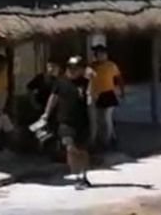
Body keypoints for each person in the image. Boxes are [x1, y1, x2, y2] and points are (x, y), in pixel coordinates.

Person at [44, 57, 91, 190]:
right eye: (70, 68)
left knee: (82, 150)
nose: (72, 71)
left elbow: (92, 98)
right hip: (65, 121)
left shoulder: (86, 82)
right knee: (70, 148)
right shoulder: (61, 82)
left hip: (82, 121)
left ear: (81, 70)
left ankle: (84, 175)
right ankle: (77, 177)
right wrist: (46, 114)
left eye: (76, 68)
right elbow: (53, 98)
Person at [87, 46, 124, 149]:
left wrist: (122, 91)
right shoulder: (91, 67)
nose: (100, 56)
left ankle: (107, 141)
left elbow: (119, 78)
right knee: (98, 119)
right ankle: (107, 138)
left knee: (106, 118)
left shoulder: (111, 65)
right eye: (98, 54)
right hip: (95, 94)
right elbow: (87, 79)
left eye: (102, 54)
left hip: (108, 93)